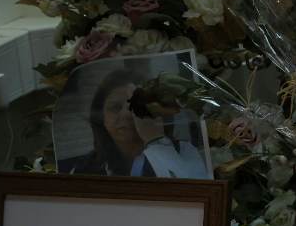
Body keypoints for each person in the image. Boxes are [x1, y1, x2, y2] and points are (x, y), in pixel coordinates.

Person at [60, 67, 210, 178]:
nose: (127, 113)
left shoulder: (184, 152)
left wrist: (155, 139)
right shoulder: (84, 168)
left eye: (136, 105)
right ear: (101, 118)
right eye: (115, 107)